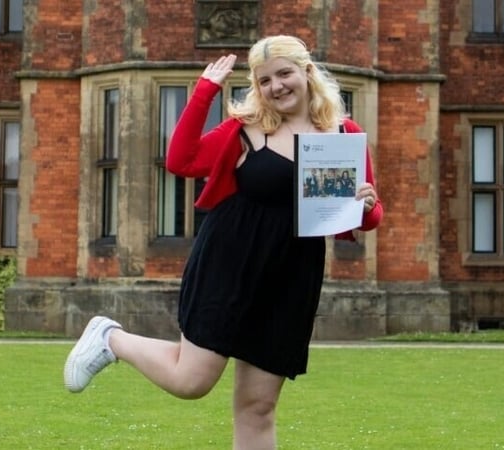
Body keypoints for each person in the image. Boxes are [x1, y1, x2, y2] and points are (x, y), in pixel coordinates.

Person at [63, 34, 383, 449]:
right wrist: (204, 93)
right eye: (265, 80)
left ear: (307, 73)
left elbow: (368, 218)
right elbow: (181, 160)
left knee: (258, 407)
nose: (276, 86)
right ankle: (110, 338)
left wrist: (367, 204)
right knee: (191, 380)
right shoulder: (246, 130)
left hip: (291, 276)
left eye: (284, 74)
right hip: (231, 261)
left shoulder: (342, 134)